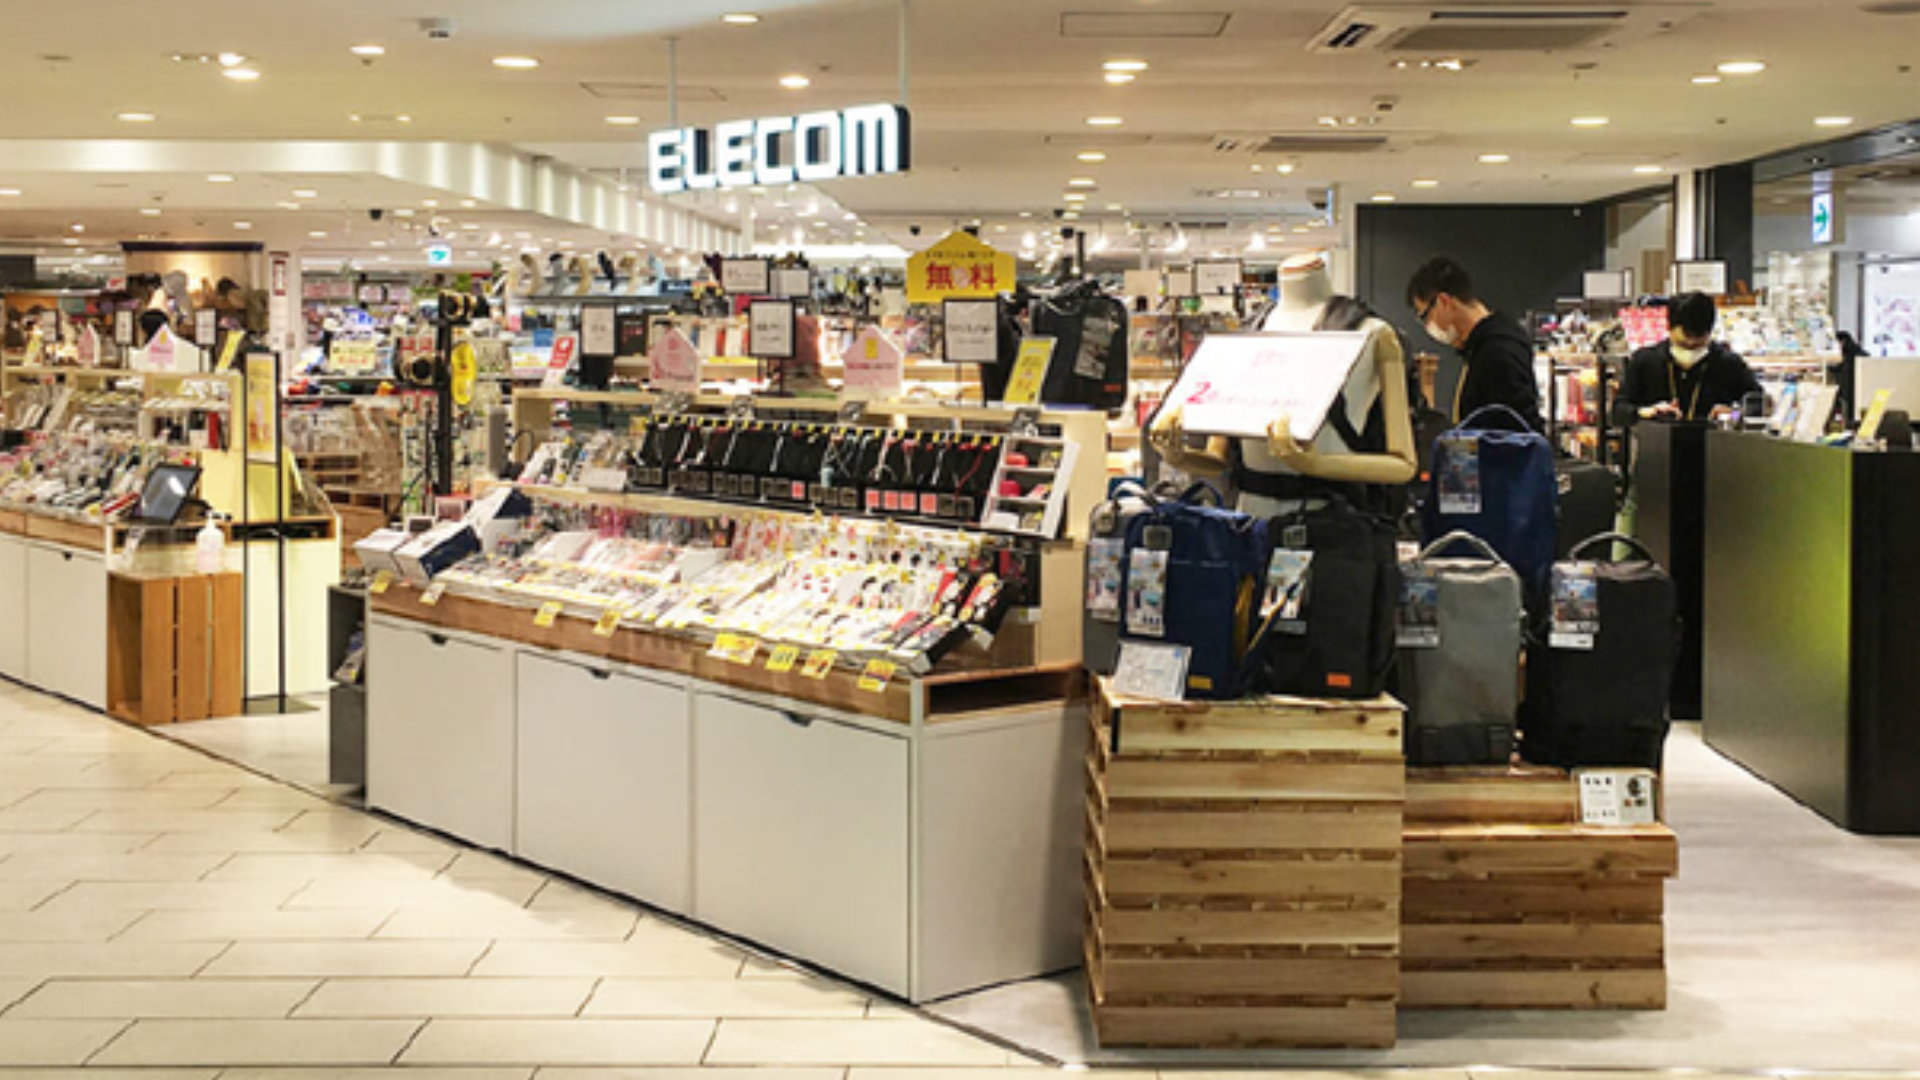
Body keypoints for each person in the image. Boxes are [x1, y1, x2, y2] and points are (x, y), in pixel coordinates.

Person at [1150, 254, 1417, 517]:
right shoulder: (1245, 337)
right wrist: (1177, 456)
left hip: (1330, 521)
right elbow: (1219, 457)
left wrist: (1314, 464)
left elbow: (1403, 464)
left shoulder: (1372, 334)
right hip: (1251, 522)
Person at [1404, 256, 1545, 432]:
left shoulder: (1498, 351)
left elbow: (1518, 432)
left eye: (1425, 316)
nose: (1428, 327)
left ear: (1444, 301)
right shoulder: (1480, 347)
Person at [1615, 292, 1761, 427]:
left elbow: (1758, 405)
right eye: (1683, 343)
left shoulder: (1729, 364)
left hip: (1715, 445)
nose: (1690, 346)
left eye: (1698, 344)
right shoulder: (1644, 362)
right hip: (1656, 444)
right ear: (1669, 327)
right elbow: (1617, 412)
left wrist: (1733, 415)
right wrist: (1645, 412)